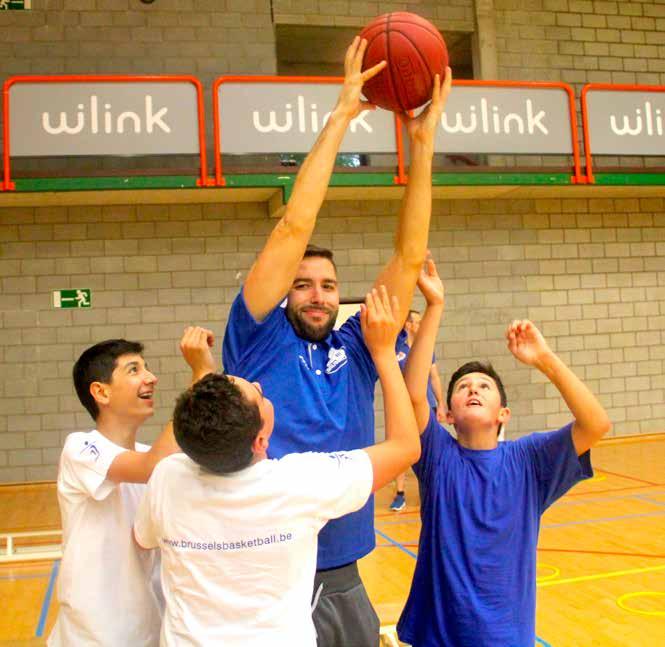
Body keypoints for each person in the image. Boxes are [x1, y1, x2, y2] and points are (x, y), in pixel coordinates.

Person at [221, 36, 452, 645]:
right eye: (302, 284)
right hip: (268, 568)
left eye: (328, 284)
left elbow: (407, 255)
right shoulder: (256, 338)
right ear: (282, 293)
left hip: (345, 568)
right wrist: (342, 117)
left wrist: (421, 146)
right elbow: (295, 223)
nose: (317, 293)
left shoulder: (360, 344)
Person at [133, 288, 420, 647]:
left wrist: (201, 371)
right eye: (259, 394)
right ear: (260, 441)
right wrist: (382, 352)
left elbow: (143, 537)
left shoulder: (168, 478)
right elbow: (406, 447)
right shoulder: (297, 484)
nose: (257, 383)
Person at [396, 259, 612, 647]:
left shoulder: (529, 461)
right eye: (462, 387)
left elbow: (595, 424)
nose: (473, 390)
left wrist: (545, 360)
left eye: (484, 386)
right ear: (446, 414)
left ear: (503, 414)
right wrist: (435, 307)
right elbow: (413, 392)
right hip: (438, 636)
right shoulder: (439, 457)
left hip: (506, 638)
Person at [47, 329, 206, 647]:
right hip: (91, 637)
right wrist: (200, 375)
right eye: (134, 370)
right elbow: (149, 466)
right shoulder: (80, 448)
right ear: (101, 392)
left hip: (148, 631)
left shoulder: (157, 459)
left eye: (146, 368)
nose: (151, 378)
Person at [390, 308, 445, 511]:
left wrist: (440, 403)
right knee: (401, 448)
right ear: (408, 325)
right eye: (418, 322)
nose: (421, 325)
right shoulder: (397, 349)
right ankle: (400, 494)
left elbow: (435, 377)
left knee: (429, 449)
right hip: (402, 408)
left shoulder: (426, 348)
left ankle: (428, 490)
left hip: (426, 405)